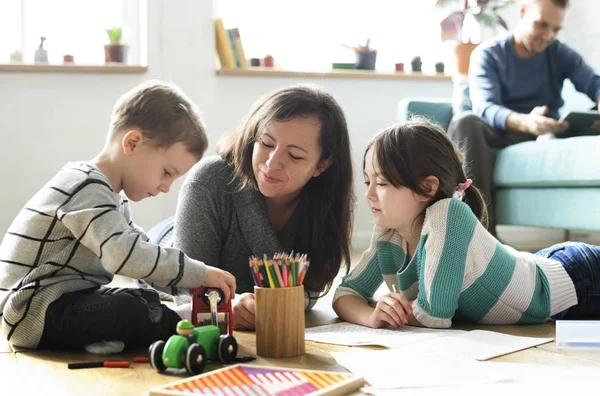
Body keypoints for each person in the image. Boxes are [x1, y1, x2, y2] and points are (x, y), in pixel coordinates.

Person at [0, 80, 236, 351]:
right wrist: (198, 273)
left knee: (142, 297)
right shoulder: (85, 186)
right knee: (128, 308)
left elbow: (144, 252)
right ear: (132, 143)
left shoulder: (112, 196)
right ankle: (183, 326)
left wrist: (189, 287)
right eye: (167, 173)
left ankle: (161, 323)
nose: (165, 187)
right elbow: (126, 256)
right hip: (32, 311)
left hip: (65, 301)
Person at [333, 119, 599, 329]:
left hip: (581, 278)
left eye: (381, 183)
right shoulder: (389, 232)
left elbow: (433, 315)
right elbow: (345, 292)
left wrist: (391, 309)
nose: (368, 195)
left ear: (427, 188)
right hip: (542, 266)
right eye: (368, 182)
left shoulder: (447, 214)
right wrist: (372, 316)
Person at [152, 84, 355, 330]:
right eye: (266, 143)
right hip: (166, 245)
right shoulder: (208, 179)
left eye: (295, 156)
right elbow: (190, 293)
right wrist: (227, 308)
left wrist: (287, 299)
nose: (272, 163)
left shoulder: (326, 202)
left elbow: (311, 288)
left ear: (322, 165)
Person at [447, 0, 600, 236]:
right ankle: (481, 237)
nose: (547, 35)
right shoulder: (490, 54)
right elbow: (486, 107)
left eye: (556, 29)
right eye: (541, 25)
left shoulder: (559, 52)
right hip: (499, 134)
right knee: (465, 123)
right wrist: (526, 121)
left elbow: (594, 84)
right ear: (522, 12)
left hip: (547, 133)